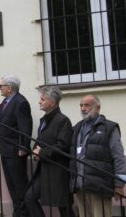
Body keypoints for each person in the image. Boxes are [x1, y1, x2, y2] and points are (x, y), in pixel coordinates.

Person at [0, 75, 33, 217]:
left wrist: (23, 147)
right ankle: (18, 212)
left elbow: (25, 127)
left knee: (19, 185)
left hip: (15, 150)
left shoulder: (21, 102)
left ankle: (24, 213)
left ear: (9, 88)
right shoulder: (7, 101)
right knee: (12, 185)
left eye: (1, 86)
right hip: (5, 150)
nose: (0, 88)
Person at [70, 94, 126, 217]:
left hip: (99, 187)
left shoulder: (109, 127)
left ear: (98, 108)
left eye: (87, 105)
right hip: (81, 185)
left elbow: (118, 156)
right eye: (81, 105)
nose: (83, 108)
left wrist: (119, 184)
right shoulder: (77, 128)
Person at [24, 86, 74, 217]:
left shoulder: (63, 120)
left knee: (64, 206)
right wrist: (35, 153)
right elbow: (40, 141)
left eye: (42, 99)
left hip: (58, 169)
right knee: (29, 197)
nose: (39, 102)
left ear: (52, 102)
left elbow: (63, 146)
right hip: (44, 168)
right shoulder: (44, 120)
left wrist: (42, 153)